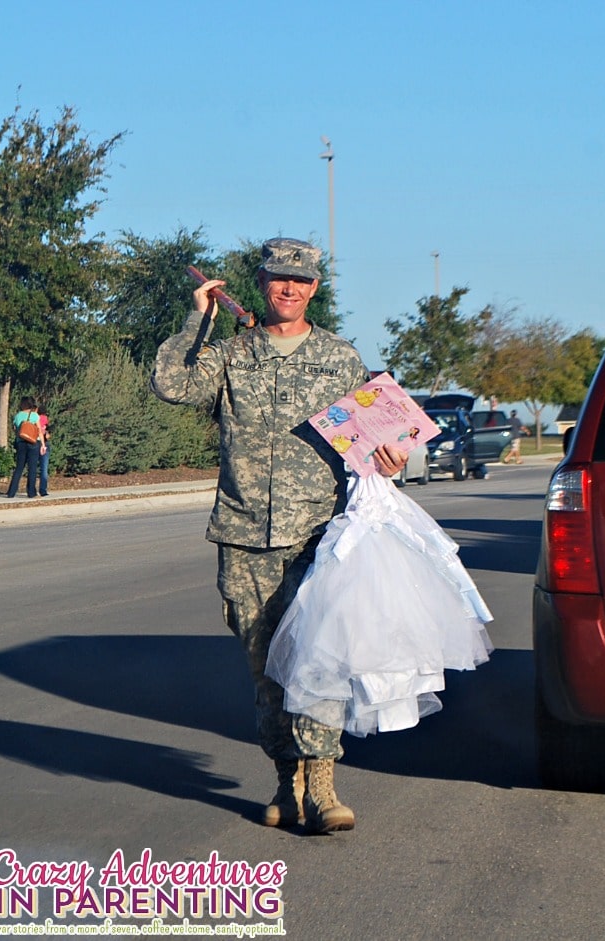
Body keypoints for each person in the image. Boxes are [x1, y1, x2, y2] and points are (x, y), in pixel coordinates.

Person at [151, 237, 407, 834]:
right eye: (277, 278)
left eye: (300, 280)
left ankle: (323, 783)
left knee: (319, 658)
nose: (288, 288)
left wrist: (389, 456)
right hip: (243, 536)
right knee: (265, 666)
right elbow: (172, 385)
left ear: (314, 288)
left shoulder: (341, 359)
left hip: (320, 534)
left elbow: (372, 439)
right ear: (262, 282)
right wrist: (199, 318)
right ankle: (286, 779)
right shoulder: (231, 354)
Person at [6, 396, 47, 498]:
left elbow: (16, 429)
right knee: (32, 468)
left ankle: (11, 492)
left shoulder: (18, 416)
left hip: (21, 443)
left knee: (19, 467)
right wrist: (43, 444)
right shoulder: (34, 416)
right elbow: (39, 431)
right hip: (33, 443)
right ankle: (31, 492)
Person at [37, 408, 51, 496]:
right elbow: (48, 433)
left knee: (33, 467)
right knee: (44, 468)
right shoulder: (45, 418)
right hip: (45, 443)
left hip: (35, 442)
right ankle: (43, 489)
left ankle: (31, 489)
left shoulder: (34, 418)